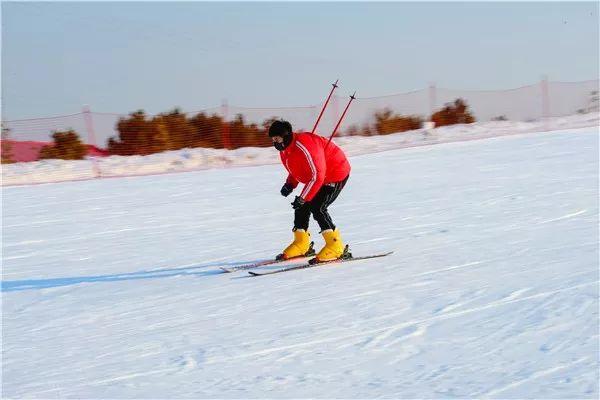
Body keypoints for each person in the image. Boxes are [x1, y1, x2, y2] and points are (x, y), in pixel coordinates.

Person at [269, 120, 351, 262]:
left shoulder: (304, 146)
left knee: (318, 206)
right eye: (273, 140)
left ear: (286, 136)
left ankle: (335, 245)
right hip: (319, 177)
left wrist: (303, 198)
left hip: (335, 173)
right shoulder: (285, 151)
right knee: (302, 206)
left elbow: (317, 175)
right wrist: (290, 184)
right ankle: (302, 244)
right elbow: (297, 168)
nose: (275, 143)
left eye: (277, 139)